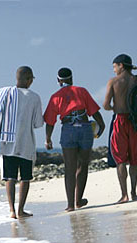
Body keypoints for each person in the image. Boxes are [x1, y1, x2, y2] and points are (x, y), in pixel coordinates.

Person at [0, 66, 44, 219]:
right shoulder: (34, 97)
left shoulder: (3, 93)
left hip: (6, 143)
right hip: (26, 144)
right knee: (25, 178)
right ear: (29, 79)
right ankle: (21, 210)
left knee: (10, 178)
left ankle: (12, 211)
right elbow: (37, 123)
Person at [44, 67, 105, 212]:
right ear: (71, 79)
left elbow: (50, 121)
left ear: (58, 81)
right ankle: (79, 200)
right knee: (83, 165)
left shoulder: (55, 96)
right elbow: (94, 112)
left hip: (68, 129)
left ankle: (70, 205)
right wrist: (101, 125)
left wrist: (48, 138)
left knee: (69, 168)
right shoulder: (82, 91)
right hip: (84, 128)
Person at [103, 54, 137, 203]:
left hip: (120, 120)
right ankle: (134, 192)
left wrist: (115, 107)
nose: (114, 70)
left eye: (114, 67)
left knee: (120, 159)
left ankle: (124, 195)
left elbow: (106, 105)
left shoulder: (114, 82)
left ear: (121, 65)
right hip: (135, 122)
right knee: (134, 159)